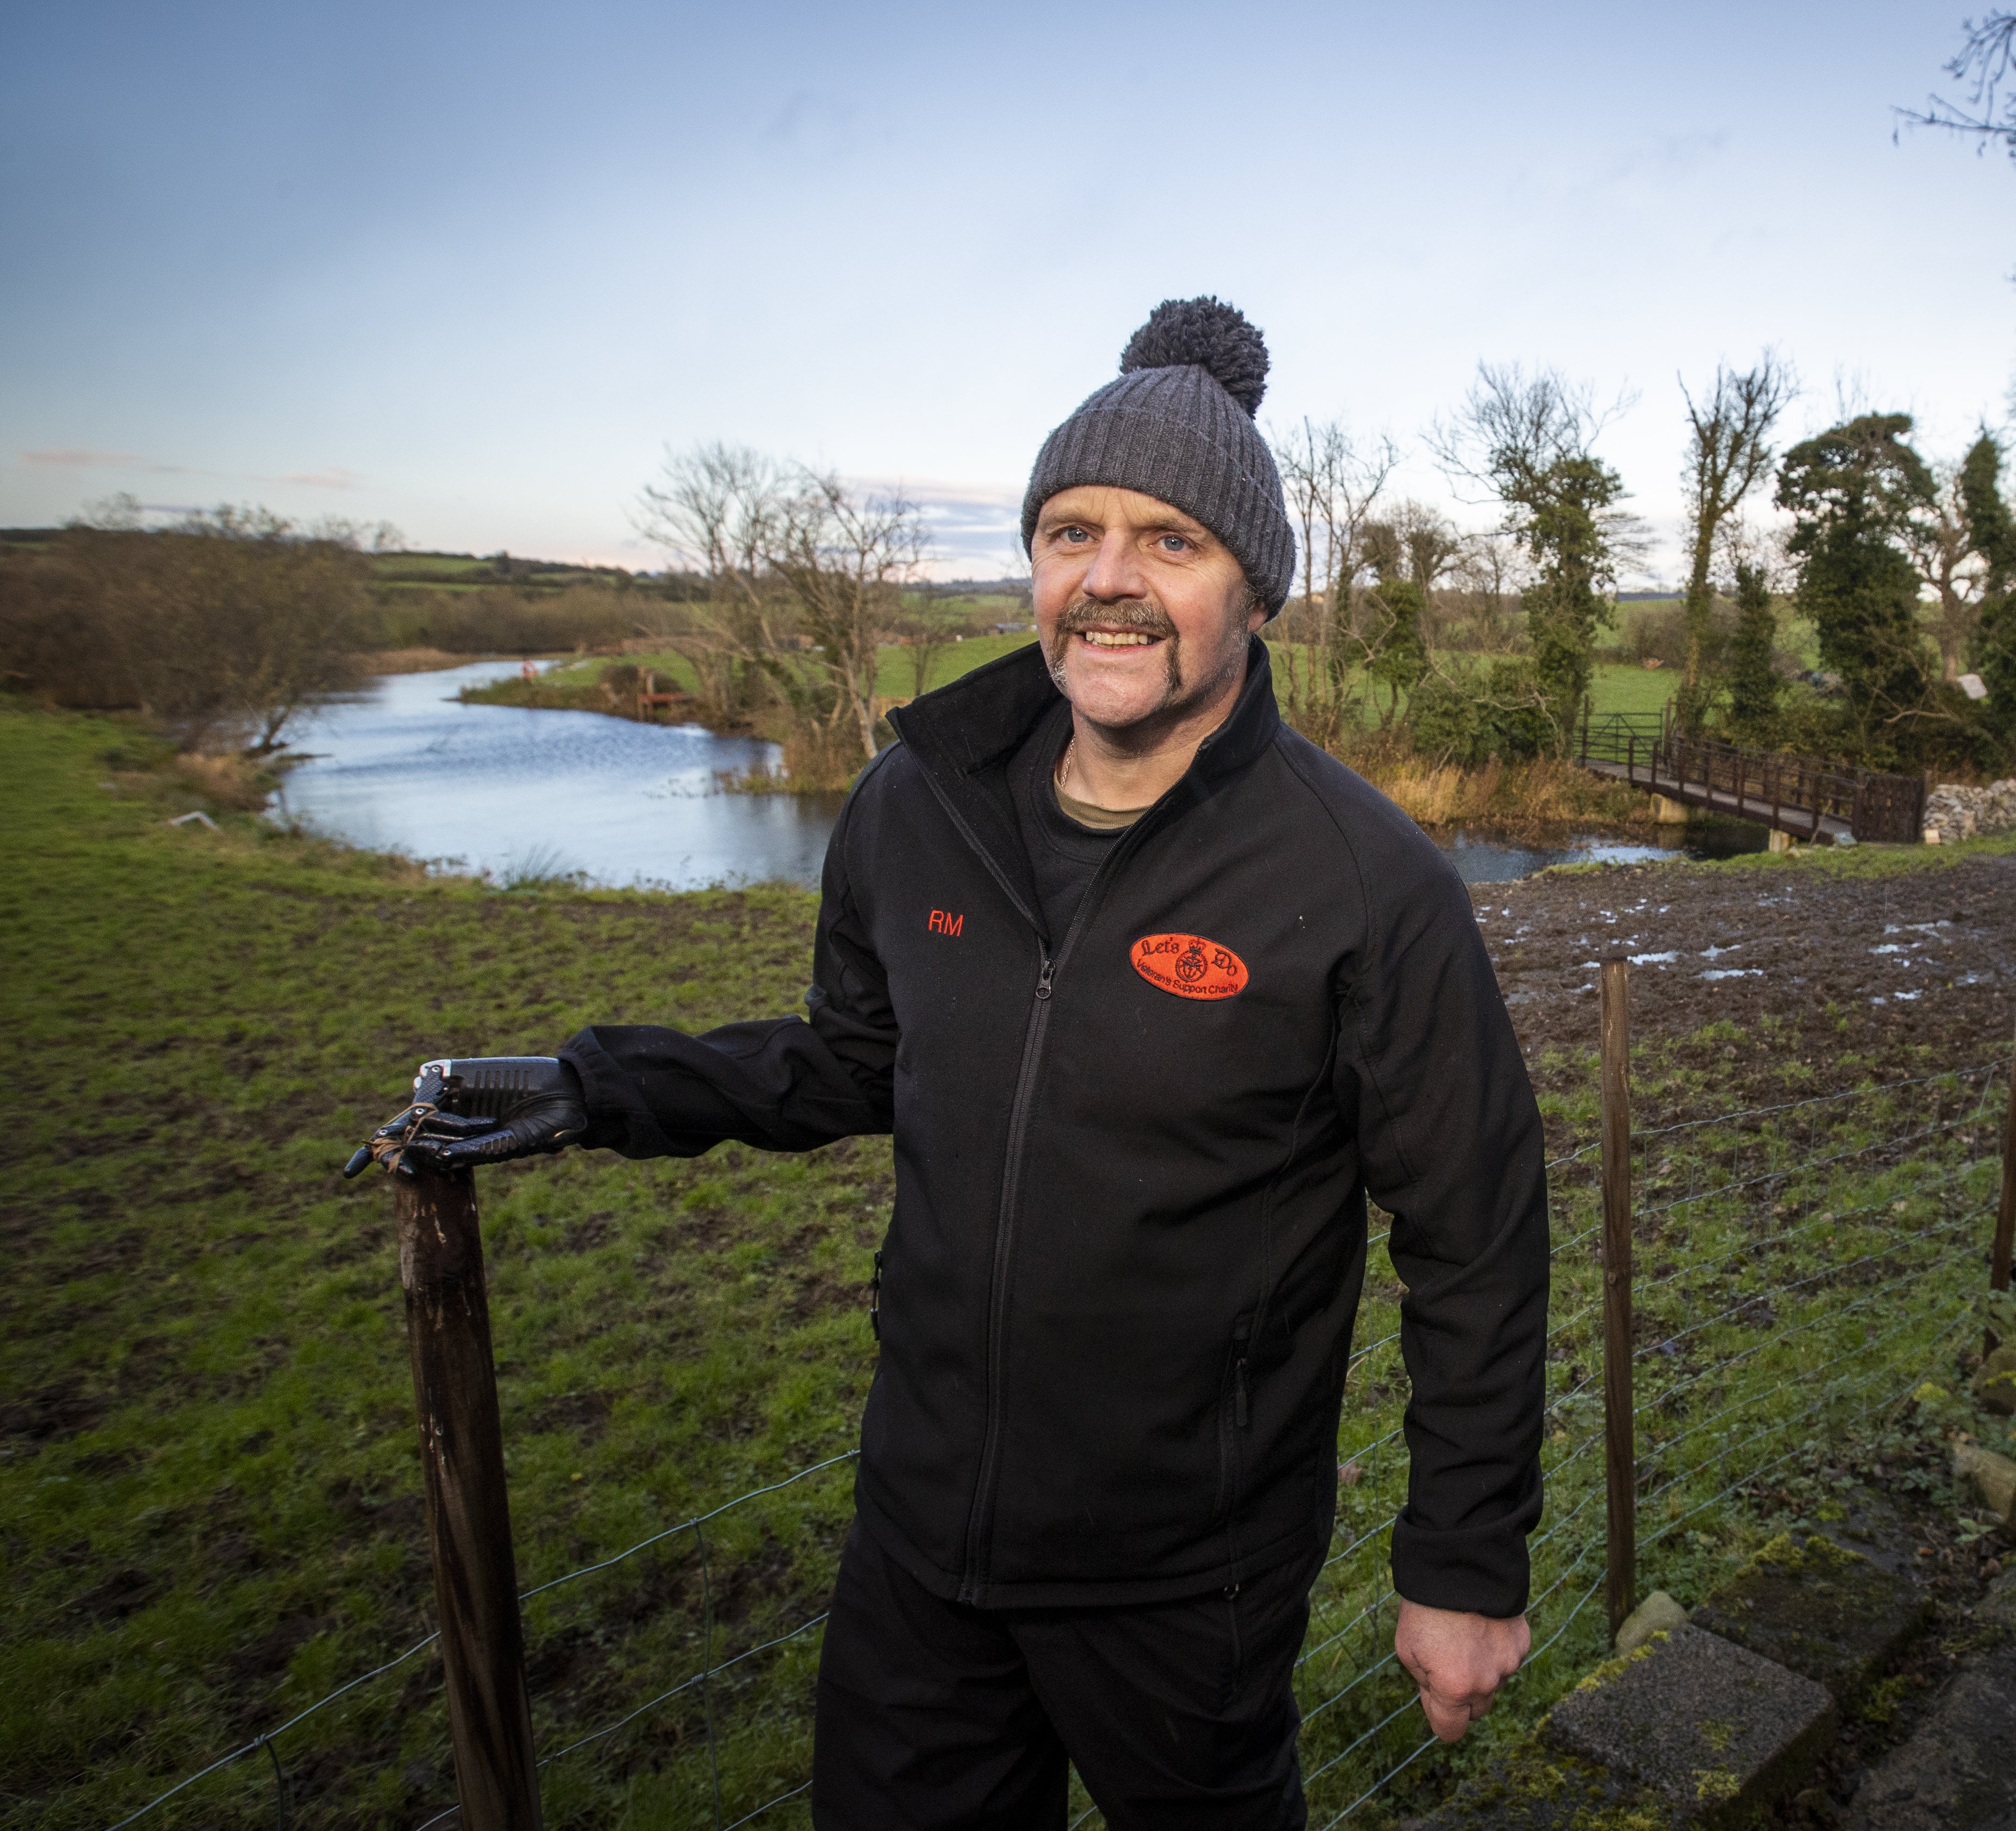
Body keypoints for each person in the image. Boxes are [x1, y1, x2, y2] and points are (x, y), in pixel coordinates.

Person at [348, 298, 1550, 1829]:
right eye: (1070, 531)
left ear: (1258, 588)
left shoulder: (1365, 882)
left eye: (1169, 543)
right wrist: (599, 1086)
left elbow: (1478, 1240)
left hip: (1186, 1574)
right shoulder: (917, 804)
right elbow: (854, 1062)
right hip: (919, 1544)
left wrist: (1461, 1569)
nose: (1108, 580)